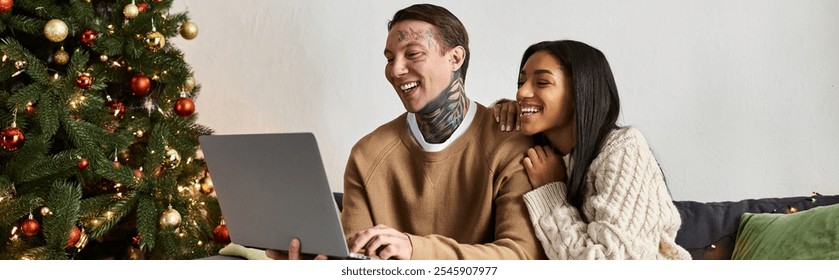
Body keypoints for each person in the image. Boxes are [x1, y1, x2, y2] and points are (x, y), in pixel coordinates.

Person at [268, 4, 545, 260]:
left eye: (412, 54)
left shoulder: (511, 145)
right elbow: (355, 259)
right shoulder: (367, 154)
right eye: (390, 58)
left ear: (455, 58)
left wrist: (414, 249)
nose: (396, 70)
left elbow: (520, 255)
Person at [508, 40, 691, 259]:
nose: (521, 93)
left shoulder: (624, 149)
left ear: (580, 91)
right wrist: (501, 116)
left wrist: (551, 192)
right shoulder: (541, 153)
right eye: (521, 82)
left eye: (542, 82)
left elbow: (613, 262)